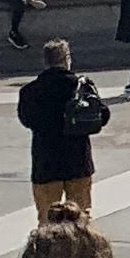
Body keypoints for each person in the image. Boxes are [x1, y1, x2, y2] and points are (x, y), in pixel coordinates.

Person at [15, 39, 106, 220]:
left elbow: (26, 120)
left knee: (47, 219)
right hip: (77, 160)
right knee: (81, 217)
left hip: (46, 161)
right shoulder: (81, 87)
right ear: (67, 59)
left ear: (46, 61)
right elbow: (102, 115)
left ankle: (49, 248)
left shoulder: (29, 91)